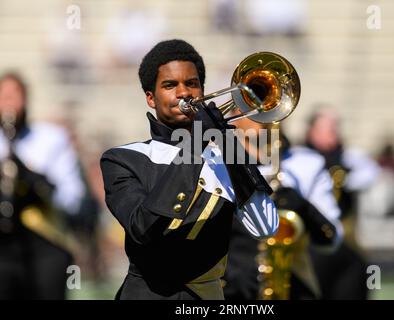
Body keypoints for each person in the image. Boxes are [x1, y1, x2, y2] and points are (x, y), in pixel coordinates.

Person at [100, 39, 279, 300]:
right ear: (151, 98)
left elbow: (265, 227)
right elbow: (142, 227)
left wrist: (230, 150)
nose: (184, 93)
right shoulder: (124, 158)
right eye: (170, 85)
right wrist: (195, 143)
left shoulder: (223, 156)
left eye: (192, 84)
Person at [223, 118, 343, 300]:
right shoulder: (217, 162)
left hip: (290, 287)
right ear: (235, 113)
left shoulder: (306, 163)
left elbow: (332, 240)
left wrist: (303, 206)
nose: (259, 113)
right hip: (230, 291)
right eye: (247, 105)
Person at [0, 72, 87, 299]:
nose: (9, 103)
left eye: (15, 96)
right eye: (3, 96)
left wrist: (38, 183)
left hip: (45, 242)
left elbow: (73, 198)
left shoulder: (51, 138)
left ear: (26, 100)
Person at [304, 107, 380, 300]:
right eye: (327, 128)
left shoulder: (349, 157)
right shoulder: (300, 157)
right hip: (310, 244)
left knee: (358, 285)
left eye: (335, 128)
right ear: (312, 131)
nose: (333, 133)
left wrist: (345, 178)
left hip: (347, 243)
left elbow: (371, 174)